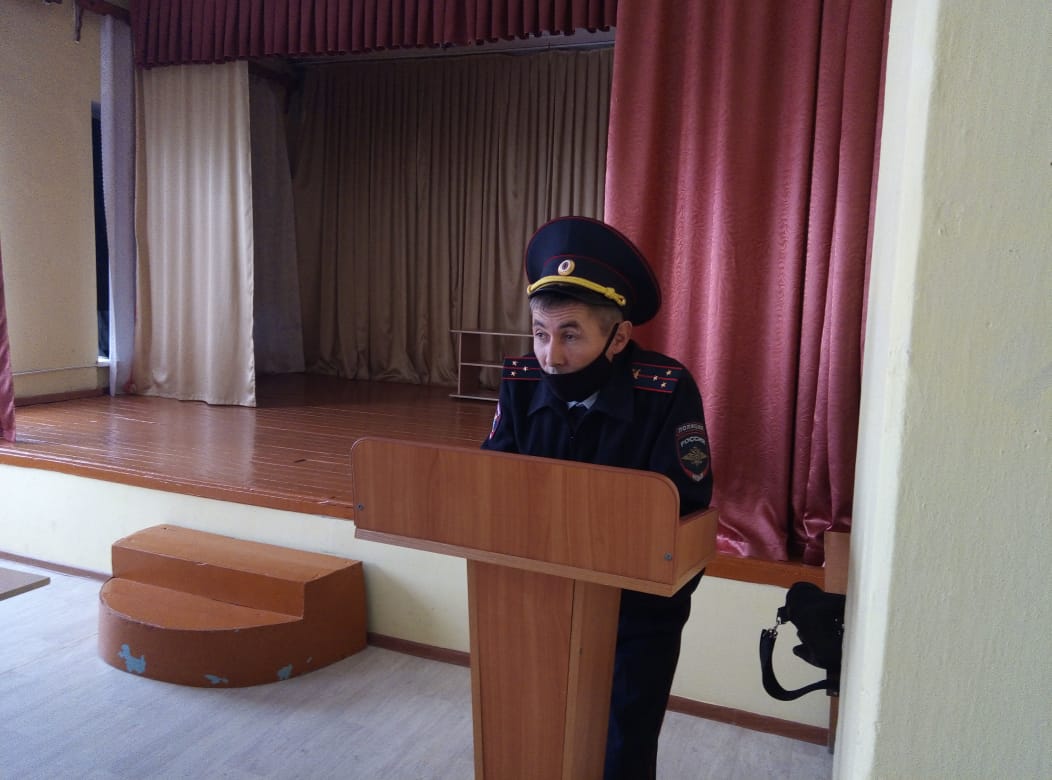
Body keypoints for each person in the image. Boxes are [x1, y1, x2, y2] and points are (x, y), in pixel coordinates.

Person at [481, 216, 713, 779]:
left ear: (620, 338)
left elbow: (683, 507)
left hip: (636, 610)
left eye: (571, 335)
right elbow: (491, 484)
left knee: (623, 741)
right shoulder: (521, 382)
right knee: (535, 728)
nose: (551, 357)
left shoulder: (666, 390)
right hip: (539, 597)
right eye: (540, 333)